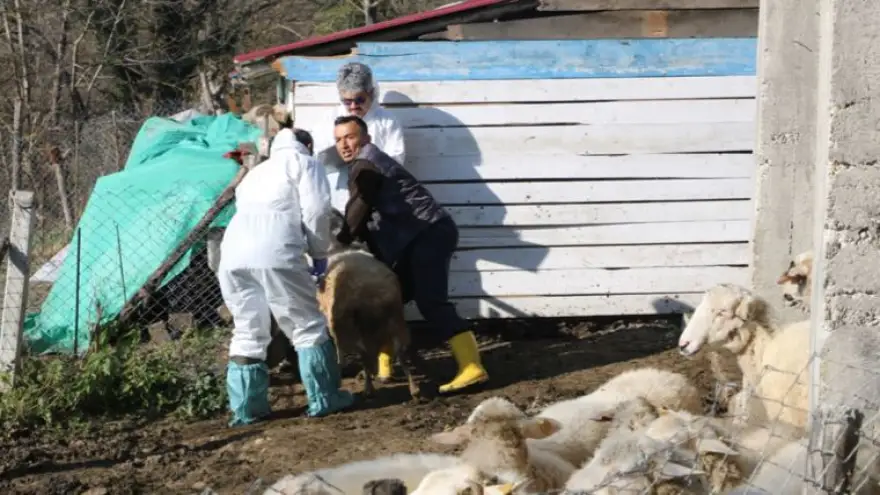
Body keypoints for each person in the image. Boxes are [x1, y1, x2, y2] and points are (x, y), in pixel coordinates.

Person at [331, 114, 489, 394]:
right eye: (338, 140)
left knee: (432, 302)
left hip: (428, 234)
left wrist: (338, 242)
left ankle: (472, 367)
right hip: (420, 236)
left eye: (350, 137)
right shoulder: (366, 163)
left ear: (366, 138)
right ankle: (384, 366)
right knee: (388, 300)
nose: (344, 144)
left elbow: (358, 208)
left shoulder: (366, 165)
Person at [217, 128, 354, 426]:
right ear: (307, 145)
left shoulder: (255, 173)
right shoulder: (305, 163)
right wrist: (319, 253)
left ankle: (247, 410)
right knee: (306, 326)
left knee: (248, 331)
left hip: (233, 252)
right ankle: (325, 398)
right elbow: (317, 211)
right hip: (276, 249)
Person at [312, 62, 406, 213]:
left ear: (371, 93)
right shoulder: (328, 119)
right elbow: (318, 157)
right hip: (339, 198)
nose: (353, 106)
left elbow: (396, 160)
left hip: (378, 198)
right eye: (347, 102)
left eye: (359, 100)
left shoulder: (387, 121)